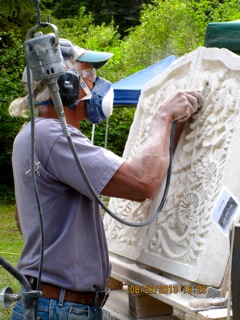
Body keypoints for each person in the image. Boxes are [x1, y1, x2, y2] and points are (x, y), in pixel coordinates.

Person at [9, 38, 204, 320]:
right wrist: (162, 116)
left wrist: (172, 128)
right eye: (89, 74)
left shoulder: (33, 133)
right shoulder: (55, 137)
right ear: (66, 85)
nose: (97, 84)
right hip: (60, 308)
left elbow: (136, 172)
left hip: (52, 303)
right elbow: (142, 182)